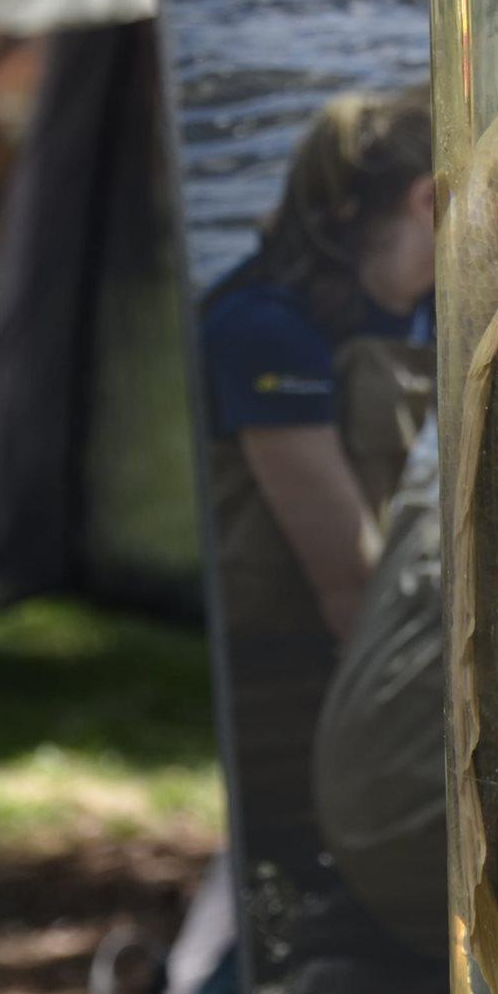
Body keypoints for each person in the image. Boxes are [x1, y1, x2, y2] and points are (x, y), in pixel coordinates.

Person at [200, 87, 440, 651]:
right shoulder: (266, 330)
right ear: (429, 199)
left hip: (377, 608)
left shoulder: (432, 304)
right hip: (282, 647)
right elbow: (348, 584)